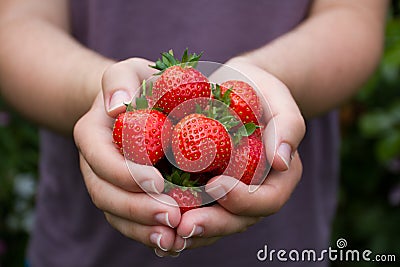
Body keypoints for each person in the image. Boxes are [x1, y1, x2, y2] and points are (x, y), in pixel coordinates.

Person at [0, 0, 388, 266]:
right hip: (82, 252)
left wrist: (264, 80)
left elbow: (351, 15)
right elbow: (16, 25)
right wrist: (104, 93)